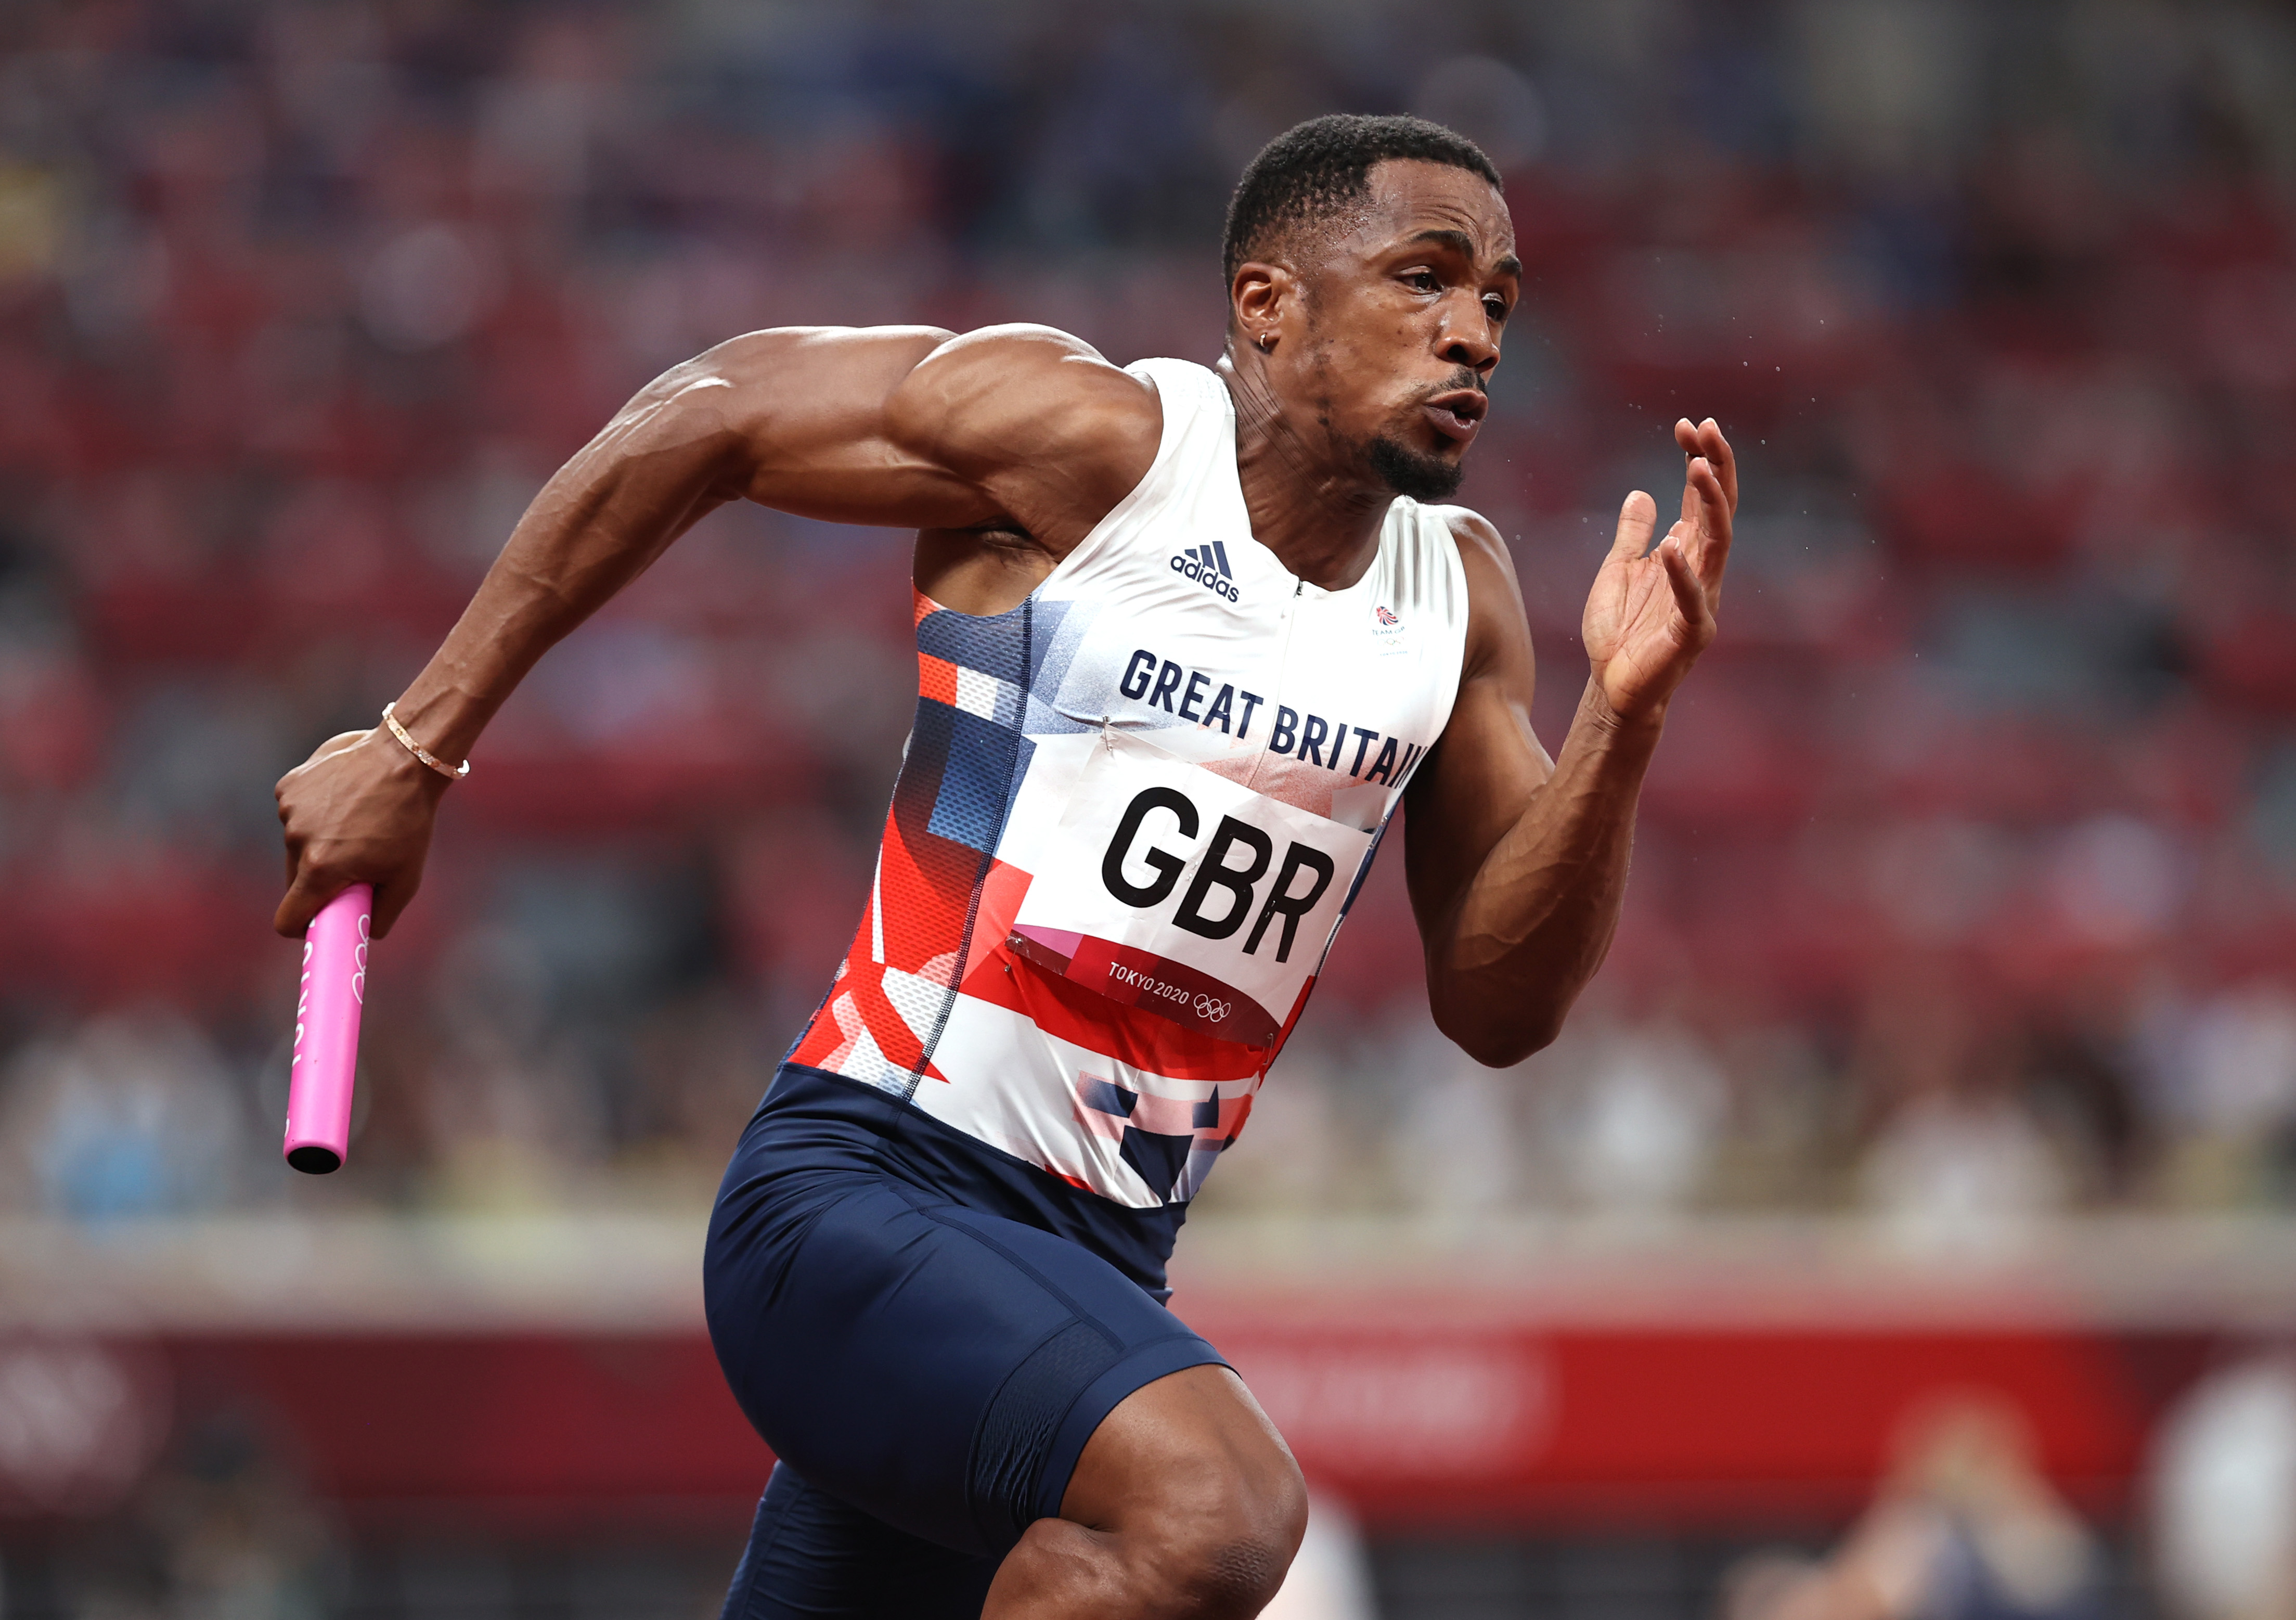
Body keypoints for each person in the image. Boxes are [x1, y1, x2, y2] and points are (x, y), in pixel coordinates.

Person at [273, 114, 1737, 1619]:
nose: (1472, 331)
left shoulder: (1457, 602)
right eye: (1424, 278)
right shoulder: (1096, 445)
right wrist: (415, 744)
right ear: (1267, 304)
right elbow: (712, 409)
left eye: (1497, 299)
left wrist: (1621, 722)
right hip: (863, 1195)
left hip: (1083, 1279)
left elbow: (1500, 1006)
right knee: (1220, 1513)